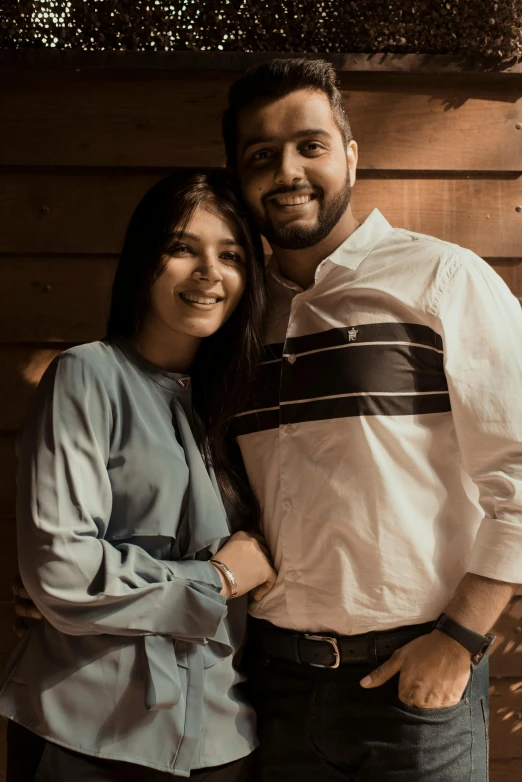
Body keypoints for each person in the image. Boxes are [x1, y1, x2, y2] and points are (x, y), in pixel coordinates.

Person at [219, 58, 522, 781]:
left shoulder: (442, 279)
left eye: (309, 146)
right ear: (238, 175)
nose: (287, 170)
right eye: (261, 156)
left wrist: (460, 639)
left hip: (414, 689)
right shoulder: (232, 320)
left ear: (352, 154)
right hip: (268, 685)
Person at [0, 169, 277, 781]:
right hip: (88, 731)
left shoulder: (237, 403)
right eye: (183, 248)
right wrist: (220, 579)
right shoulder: (86, 376)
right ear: (143, 261)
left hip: (222, 735)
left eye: (230, 255)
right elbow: (63, 571)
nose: (209, 272)